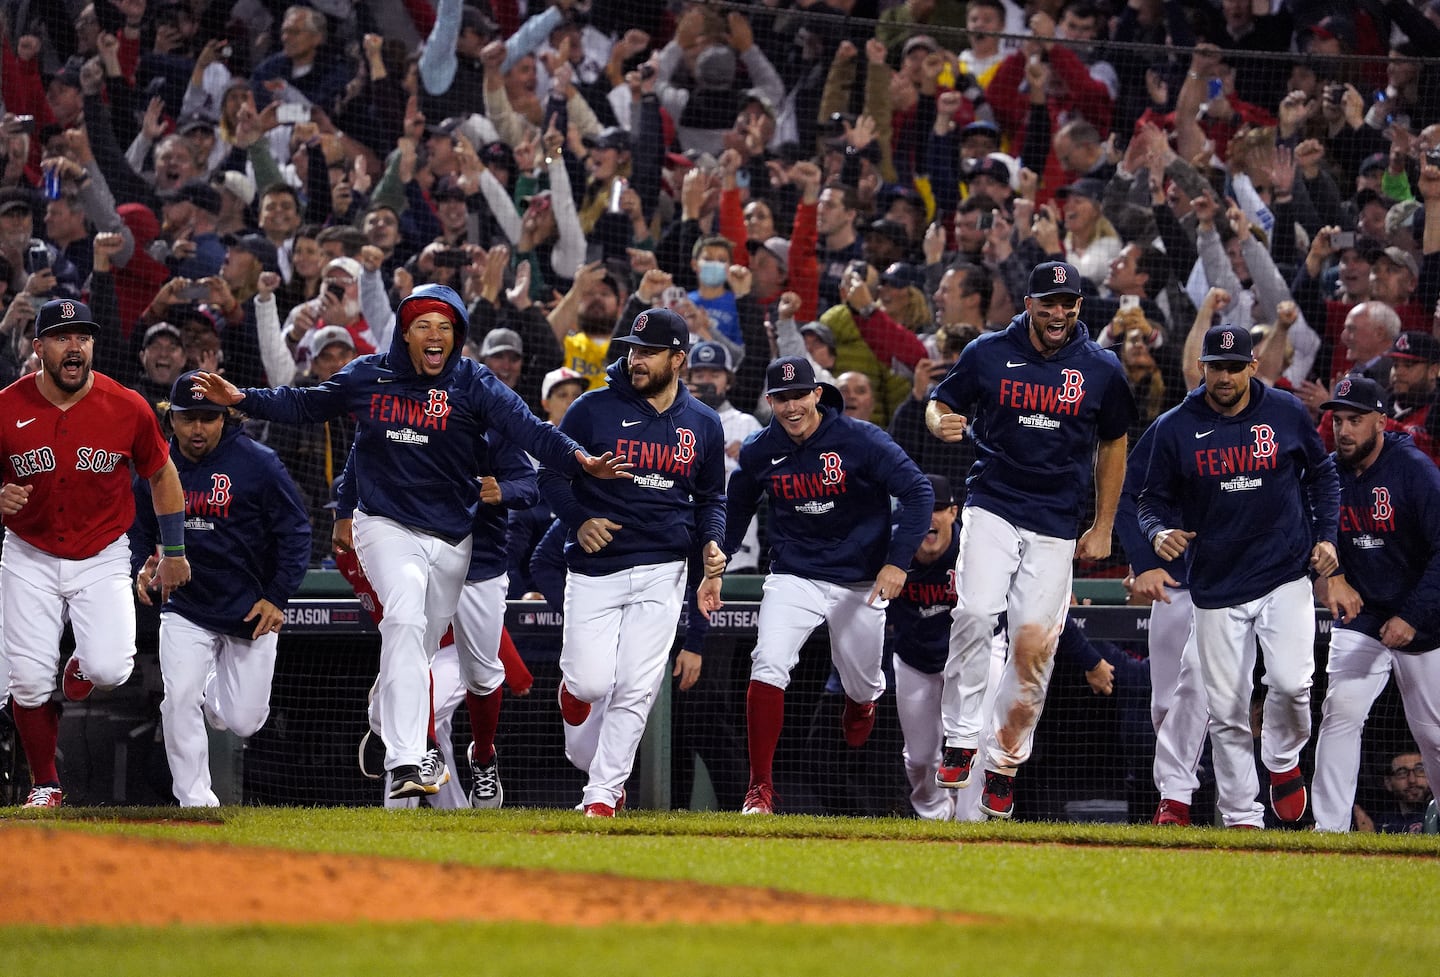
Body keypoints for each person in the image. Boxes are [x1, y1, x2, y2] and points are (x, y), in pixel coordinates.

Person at [190, 283, 631, 799]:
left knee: (421, 648)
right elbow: (307, 404)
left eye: (445, 327)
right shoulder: (368, 374)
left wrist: (581, 459)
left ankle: (418, 730)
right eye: (423, 325)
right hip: (385, 524)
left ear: (459, 335)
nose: (434, 335)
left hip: (454, 539)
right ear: (404, 332)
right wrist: (245, 398)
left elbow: (532, 431)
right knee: (402, 615)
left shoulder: (474, 383)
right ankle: (405, 760)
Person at [926, 261, 1135, 819]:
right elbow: (941, 402)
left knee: (1033, 646)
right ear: (1028, 302)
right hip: (993, 502)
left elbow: (1114, 443)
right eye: (1049, 302)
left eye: (1068, 303)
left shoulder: (1101, 367)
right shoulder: (987, 352)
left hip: (1057, 520)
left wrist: (1105, 524)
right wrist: (936, 419)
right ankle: (961, 738)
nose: (1059, 312)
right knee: (973, 613)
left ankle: (1004, 764)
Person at [1138, 325, 1340, 829]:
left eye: (1233, 366)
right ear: (1201, 367)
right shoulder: (1176, 425)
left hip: (1283, 573)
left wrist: (1328, 536)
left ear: (1253, 366)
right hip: (1216, 586)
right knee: (1225, 711)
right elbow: (1150, 499)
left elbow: (1323, 475)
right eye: (1215, 366)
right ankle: (1240, 816)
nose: (1223, 377)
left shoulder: (1286, 412)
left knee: (1293, 684)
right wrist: (1158, 531)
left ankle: (1282, 760)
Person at [0, 299, 191, 809]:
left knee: (110, 669)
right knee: (27, 677)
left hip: (102, 553)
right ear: (39, 347)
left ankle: (82, 667)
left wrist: (173, 550)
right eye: (63, 337)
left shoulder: (126, 405)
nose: (75, 347)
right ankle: (46, 783)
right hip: (28, 553)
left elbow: (162, 474)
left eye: (83, 337)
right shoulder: (6, 406)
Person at [726, 356, 933, 815]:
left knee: (862, 687)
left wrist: (897, 562)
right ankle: (760, 789)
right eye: (781, 399)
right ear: (769, 402)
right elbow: (738, 503)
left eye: (799, 395)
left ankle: (860, 703)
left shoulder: (861, 439)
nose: (791, 406)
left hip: (860, 580)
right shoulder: (761, 448)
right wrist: (717, 560)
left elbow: (919, 492)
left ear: (817, 393)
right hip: (795, 573)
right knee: (768, 663)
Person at [540, 308, 727, 817]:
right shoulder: (591, 409)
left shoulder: (704, 424)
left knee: (638, 686)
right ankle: (573, 693)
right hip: (596, 566)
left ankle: (602, 796)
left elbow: (712, 497)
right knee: (591, 684)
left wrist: (712, 541)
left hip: (663, 569)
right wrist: (577, 519)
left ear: (678, 359)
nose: (636, 359)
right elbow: (551, 476)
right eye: (632, 349)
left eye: (648, 352)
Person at [129, 371, 311, 807]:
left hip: (248, 609)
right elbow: (135, 531)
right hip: (185, 607)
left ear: (224, 417)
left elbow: (297, 531)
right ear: (170, 418)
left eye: (208, 418)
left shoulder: (258, 463)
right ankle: (195, 801)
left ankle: (210, 688)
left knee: (244, 720)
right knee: (178, 699)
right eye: (188, 417)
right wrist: (141, 565)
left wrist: (277, 596)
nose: (197, 428)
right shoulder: (155, 468)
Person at [1310, 377, 1440, 832]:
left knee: (1433, 734)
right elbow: (1309, 537)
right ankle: (1329, 830)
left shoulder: (1414, 470)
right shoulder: (1328, 474)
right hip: (1363, 616)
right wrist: (1332, 576)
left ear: (1381, 421)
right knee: (1340, 711)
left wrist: (1412, 615)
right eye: (1338, 420)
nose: (1343, 430)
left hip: (1423, 619)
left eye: (1356, 420)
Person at [888, 474, 1003, 822]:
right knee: (920, 758)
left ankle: (971, 826)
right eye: (919, 508)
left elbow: (1027, 598)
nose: (929, 516)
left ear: (954, 512)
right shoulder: (891, 551)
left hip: (976, 654)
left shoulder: (974, 550)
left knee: (978, 742)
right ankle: (934, 815)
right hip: (916, 660)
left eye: (938, 508)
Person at [1355, 750, 1433, 834]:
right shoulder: (1384, 822)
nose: (1412, 780)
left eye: (1420, 770)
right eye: (1402, 773)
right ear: (1388, 783)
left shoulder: (1436, 814)